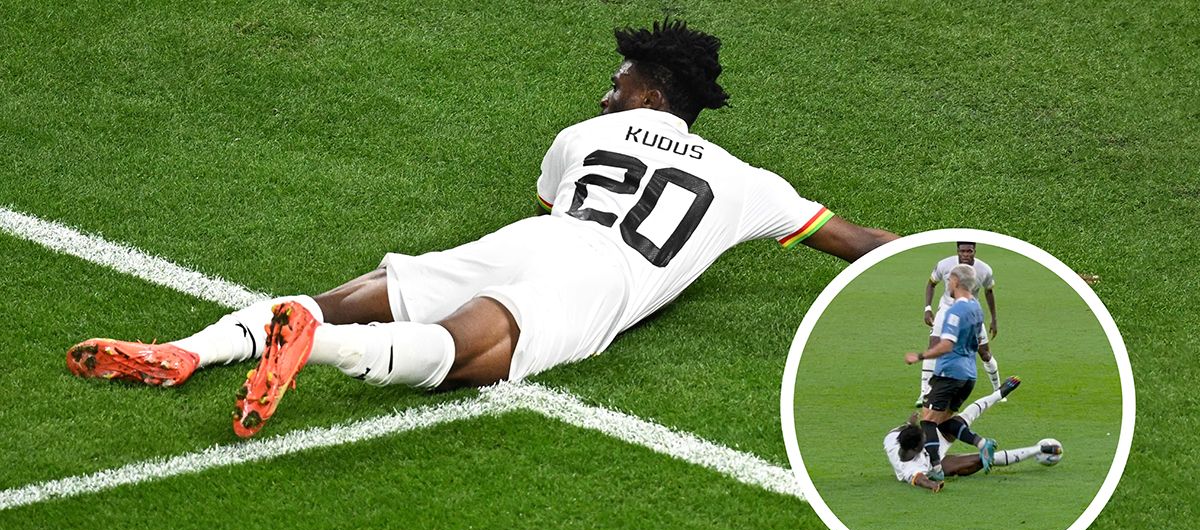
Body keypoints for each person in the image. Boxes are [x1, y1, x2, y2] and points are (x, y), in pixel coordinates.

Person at [67, 21, 897, 438]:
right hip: (596, 277)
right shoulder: (752, 186)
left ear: (649, 96)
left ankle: (191, 351)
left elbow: (551, 216)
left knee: (357, 295)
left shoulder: (585, 138)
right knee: (471, 356)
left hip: (536, 237)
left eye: (616, 85)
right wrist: (973, 263)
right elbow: (859, 245)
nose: (605, 96)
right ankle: (309, 350)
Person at [884, 378, 1061, 493]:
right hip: (935, 467)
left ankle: (998, 394)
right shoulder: (911, 469)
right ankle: (1038, 449)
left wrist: (911, 423)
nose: (926, 438)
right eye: (924, 439)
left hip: (926, 446)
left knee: (955, 422)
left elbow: (905, 429)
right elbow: (920, 479)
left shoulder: (892, 438)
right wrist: (933, 484)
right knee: (981, 460)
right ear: (916, 448)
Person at [904, 264, 993, 481]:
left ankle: (935, 467)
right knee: (943, 421)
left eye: (949, 281)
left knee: (928, 421)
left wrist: (920, 356)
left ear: (955, 282)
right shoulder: (976, 308)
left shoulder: (956, 311)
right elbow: (977, 342)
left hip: (950, 373)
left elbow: (947, 345)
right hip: (969, 375)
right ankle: (981, 443)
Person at [916, 242, 1000, 406]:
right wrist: (927, 308)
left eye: (969, 251)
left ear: (975, 251)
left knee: (984, 353)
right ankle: (924, 394)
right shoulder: (945, 264)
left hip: (970, 310)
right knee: (933, 347)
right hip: (946, 308)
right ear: (957, 251)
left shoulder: (984, 269)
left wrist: (994, 319)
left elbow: (989, 291)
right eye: (963, 251)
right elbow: (931, 284)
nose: (966, 254)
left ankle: (998, 391)